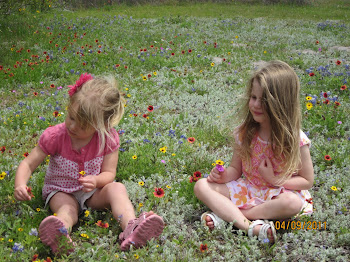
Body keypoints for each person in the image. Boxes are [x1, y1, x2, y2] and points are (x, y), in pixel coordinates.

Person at [14, 73, 164, 254]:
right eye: (70, 117)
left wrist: (97, 181)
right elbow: (28, 164)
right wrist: (20, 184)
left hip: (92, 193)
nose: (72, 126)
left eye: (83, 125)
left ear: (101, 125)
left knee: (117, 188)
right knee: (67, 208)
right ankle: (60, 233)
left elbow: (109, 173)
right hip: (60, 190)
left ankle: (131, 228)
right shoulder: (55, 136)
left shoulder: (107, 138)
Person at [194, 60, 314, 243]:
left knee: (293, 203)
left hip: (279, 194)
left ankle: (232, 217)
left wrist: (273, 179)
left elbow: (306, 181)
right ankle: (249, 227)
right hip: (249, 189)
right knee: (201, 186)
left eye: (264, 100)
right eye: (253, 97)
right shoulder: (245, 132)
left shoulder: (295, 139)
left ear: (282, 103)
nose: (256, 105)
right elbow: (236, 170)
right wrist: (223, 176)